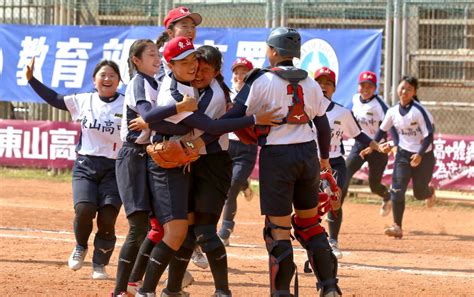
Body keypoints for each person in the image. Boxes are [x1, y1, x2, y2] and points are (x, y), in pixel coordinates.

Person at [135, 36, 281, 297]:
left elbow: (208, 128)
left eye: (204, 68)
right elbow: (180, 124)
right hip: (193, 164)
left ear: (216, 71)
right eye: (194, 64)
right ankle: (170, 289)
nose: (198, 71)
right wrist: (154, 120)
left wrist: (155, 121)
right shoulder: (186, 87)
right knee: (186, 232)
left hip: (213, 165)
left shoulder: (213, 93)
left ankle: (222, 290)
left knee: (202, 231)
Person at [221, 27, 342, 297]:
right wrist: (324, 159)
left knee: (277, 230)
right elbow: (321, 123)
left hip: (277, 156)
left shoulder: (261, 80)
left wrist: (250, 122)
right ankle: (329, 286)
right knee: (309, 225)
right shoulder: (310, 82)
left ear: (273, 51)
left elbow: (232, 118)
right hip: (307, 154)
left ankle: (282, 293)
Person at [112, 39, 199, 296]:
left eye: (157, 54)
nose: (156, 58)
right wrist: (180, 111)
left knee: (157, 227)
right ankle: (119, 290)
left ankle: (135, 282)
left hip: (150, 156)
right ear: (136, 60)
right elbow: (147, 114)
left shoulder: (158, 82)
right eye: (150, 54)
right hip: (133, 156)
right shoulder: (139, 82)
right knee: (139, 225)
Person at [26, 58, 124, 280]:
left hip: (115, 167)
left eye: (112, 75)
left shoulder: (127, 104)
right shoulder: (84, 100)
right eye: (103, 75)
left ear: (119, 80)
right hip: (86, 164)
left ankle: (100, 265)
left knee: (108, 216)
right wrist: (32, 80)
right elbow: (55, 99)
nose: (107, 78)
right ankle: (81, 246)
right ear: (94, 80)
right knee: (84, 208)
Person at [313, 67, 383, 259]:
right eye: (319, 82)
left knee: (335, 198)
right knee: (311, 203)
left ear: (334, 89)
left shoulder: (341, 112)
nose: (323, 86)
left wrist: (375, 144)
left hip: (334, 162)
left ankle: (333, 241)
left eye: (328, 83)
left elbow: (358, 133)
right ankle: (314, 239)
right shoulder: (305, 111)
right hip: (311, 163)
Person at [360, 75, 436, 239]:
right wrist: (371, 147)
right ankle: (397, 227)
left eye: (409, 89)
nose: (404, 91)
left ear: (414, 92)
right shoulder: (392, 111)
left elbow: (429, 136)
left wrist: (420, 154)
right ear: (397, 89)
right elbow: (381, 131)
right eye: (402, 88)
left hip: (424, 156)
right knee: (397, 189)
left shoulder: (419, 111)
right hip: (402, 154)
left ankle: (429, 193)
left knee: (419, 193)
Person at [218, 58, 258, 246]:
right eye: (236, 72)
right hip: (226, 145)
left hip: (247, 147)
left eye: (244, 73)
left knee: (231, 186)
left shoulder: (255, 93)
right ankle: (244, 185)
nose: (239, 76)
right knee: (225, 184)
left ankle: (225, 229)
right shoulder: (225, 93)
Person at [344, 71, 396, 217]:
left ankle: (387, 196)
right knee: (346, 172)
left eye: (370, 86)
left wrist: (390, 144)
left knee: (374, 186)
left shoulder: (381, 106)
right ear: (358, 86)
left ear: (375, 88)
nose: (365, 89)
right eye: (362, 85)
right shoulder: (355, 99)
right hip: (360, 145)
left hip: (378, 149)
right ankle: (337, 207)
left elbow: (393, 125)